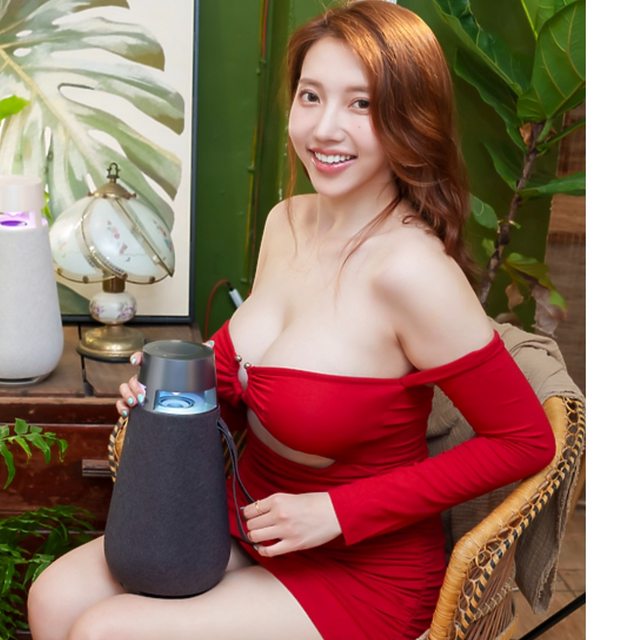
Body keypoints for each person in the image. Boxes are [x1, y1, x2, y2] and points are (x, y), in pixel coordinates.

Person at [27, 2, 556, 638]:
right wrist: (168, 393)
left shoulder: (412, 271)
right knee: (53, 598)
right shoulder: (286, 222)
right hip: (243, 518)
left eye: (361, 104)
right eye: (311, 96)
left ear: (409, 119)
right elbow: (246, 369)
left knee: (105, 630)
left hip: (356, 567)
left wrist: (338, 511)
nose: (325, 129)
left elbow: (525, 441)